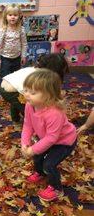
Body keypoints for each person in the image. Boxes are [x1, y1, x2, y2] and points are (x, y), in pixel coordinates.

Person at [21, 69, 77, 202]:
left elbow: (52, 138)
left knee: (49, 164)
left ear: (49, 95)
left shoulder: (54, 113)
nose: (27, 95)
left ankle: (56, 188)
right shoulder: (30, 105)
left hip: (64, 142)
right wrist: (25, 143)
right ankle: (39, 173)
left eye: (33, 92)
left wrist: (33, 149)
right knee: (38, 156)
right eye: (26, 90)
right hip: (46, 137)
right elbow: (28, 124)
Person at [0, 53, 69, 123]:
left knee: (16, 102)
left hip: (5, 85)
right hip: (11, 90)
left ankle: (16, 119)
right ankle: (31, 125)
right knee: (29, 109)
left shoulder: (34, 69)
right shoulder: (41, 76)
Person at [0, 4, 27, 95]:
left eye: (15, 15)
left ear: (19, 16)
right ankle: (0, 92)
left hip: (17, 57)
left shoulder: (21, 29)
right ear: (6, 16)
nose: (13, 17)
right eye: (10, 15)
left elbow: (24, 44)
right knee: (4, 76)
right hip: (5, 58)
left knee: (16, 76)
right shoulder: (3, 30)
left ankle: (13, 91)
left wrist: (23, 56)